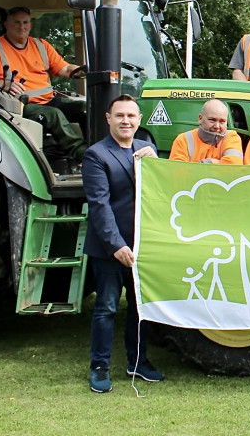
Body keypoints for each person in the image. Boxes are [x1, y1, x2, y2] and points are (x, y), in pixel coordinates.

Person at [82, 94, 163, 393]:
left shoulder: (147, 149)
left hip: (142, 247)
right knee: (106, 308)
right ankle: (99, 366)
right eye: (120, 116)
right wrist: (116, 244)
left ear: (139, 120)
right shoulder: (96, 155)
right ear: (109, 119)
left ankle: (138, 362)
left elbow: (161, 190)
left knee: (139, 310)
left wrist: (158, 165)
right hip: (110, 249)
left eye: (131, 116)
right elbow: (99, 205)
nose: (126, 121)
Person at [0, 6, 87, 168]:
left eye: (25, 22)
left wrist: (80, 71)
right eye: (17, 23)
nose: (22, 27)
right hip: (19, 107)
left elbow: (64, 68)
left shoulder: (41, 46)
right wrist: (3, 84)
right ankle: (83, 156)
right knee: (54, 115)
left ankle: (97, 147)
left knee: (83, 107)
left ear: (31, 25)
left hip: (48, 101)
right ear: (6, 24)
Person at [169, 99, 243, 164]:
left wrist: (206, 163)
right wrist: (217, 163)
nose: (217, 126)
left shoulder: (232, 138)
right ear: (200, 119)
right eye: (212, 120)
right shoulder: (183, 140)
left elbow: (233, 166)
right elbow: (178, 171)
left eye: (222, 121)